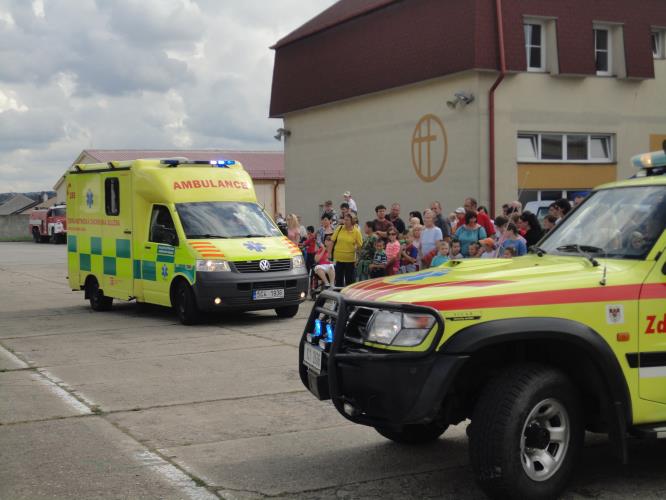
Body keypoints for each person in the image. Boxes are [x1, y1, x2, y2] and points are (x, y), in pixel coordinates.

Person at [331, 213, 363, 287]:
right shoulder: (339, 228)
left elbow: (360, 246)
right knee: (338, 280)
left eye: (347, 220)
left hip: (350, 260)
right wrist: (329, 253)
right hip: (338, 259)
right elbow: (332, 241)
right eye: (344, 219)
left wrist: (358, 258)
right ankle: (339, 296)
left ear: (352, 221)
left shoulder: (356, 232)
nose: (345, 221)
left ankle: (348, 297)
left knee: (349, 280)